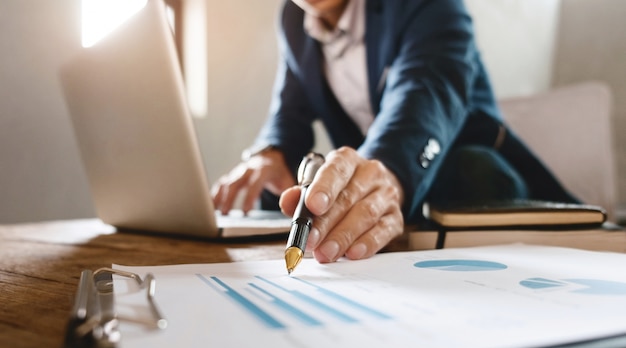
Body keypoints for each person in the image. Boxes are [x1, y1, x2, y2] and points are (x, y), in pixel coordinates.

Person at [212, 0, 578, 264]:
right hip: (386, 173)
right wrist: (269, 153)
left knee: (473, 172)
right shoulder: (294, 17)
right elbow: (290, 106)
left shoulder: (428, 6)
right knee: (274, 193)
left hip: (460, 165)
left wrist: (386, 168)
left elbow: (426, 90)